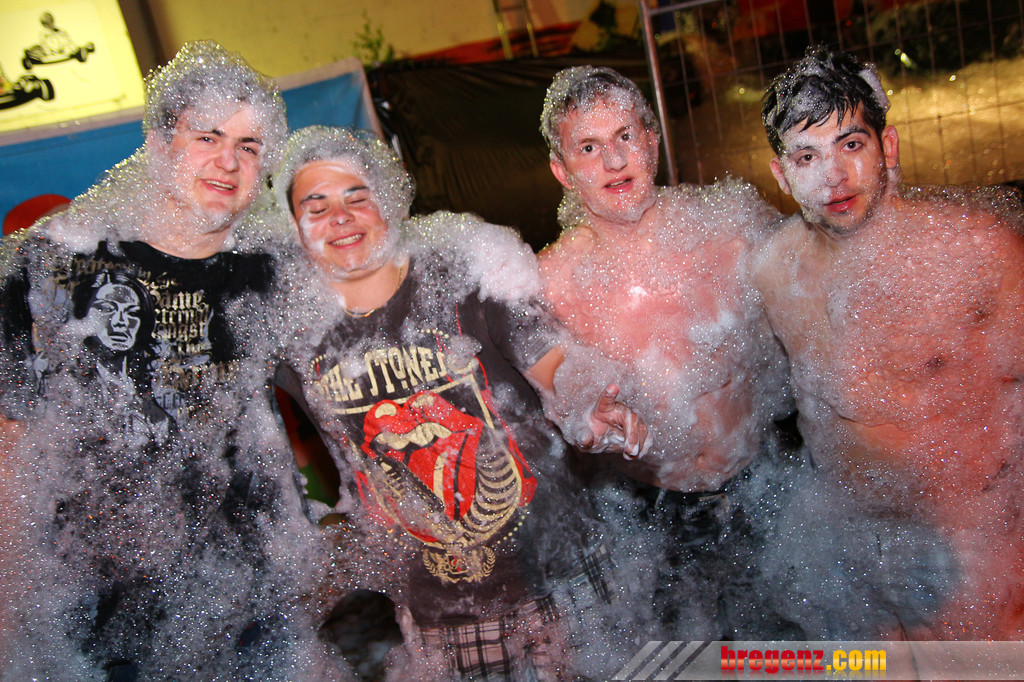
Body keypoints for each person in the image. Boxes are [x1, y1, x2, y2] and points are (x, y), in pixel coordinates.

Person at [0, 42, 331, 679]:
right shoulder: (54, 261)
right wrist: (14, 607)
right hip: (100, 607)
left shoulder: (273, 269)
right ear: (159, 142)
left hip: (254, 596)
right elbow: (10, 437)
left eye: (249, 146)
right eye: (207, 136)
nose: (229, 161)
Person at [273, 125, 648, 680]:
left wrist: (586, 403)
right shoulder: (292, 337)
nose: (341, 218)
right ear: (294, 227)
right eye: (317, 205)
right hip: (439, 613)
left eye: (357, 196)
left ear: (390, 201)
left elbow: (552, 360)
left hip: (559, 573)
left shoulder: (464, 271)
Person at [757, 45, 1024, 639]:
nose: (833, 177)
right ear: (780, 174)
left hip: (976, 546)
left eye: (851, 144)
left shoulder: (975, 252)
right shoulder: (773, 271)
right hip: (848, 551)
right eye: (807, 156)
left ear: (889, 147)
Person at [537, 65, 796, 639]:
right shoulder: (550, 285)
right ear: (562, 171)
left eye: (625, 136)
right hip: (648, 517)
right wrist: (576, 406)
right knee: (690, 666)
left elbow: (818, 308)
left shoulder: (730, 229)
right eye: (588, 147)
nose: (614, 160)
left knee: (794, 659)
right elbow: (541, 384)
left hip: (764, 486)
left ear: (652, 140)